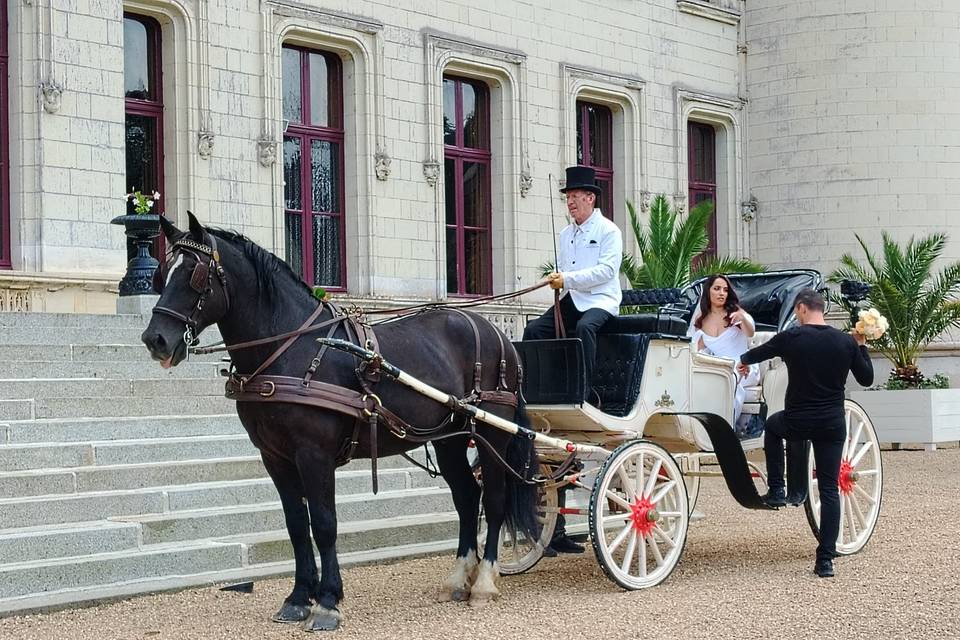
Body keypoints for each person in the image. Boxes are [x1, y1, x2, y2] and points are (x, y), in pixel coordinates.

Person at [736, 288, 873, 578]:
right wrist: (860, 345)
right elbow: (867, 378)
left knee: (773, 427)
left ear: (801, 309)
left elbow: (756, 353)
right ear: (821, 309)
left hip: (798, 421)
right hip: (832, 424)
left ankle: (777, 489)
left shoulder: (792, 338)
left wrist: (743, 361)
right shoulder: (844, 342)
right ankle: (825, 560)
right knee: (828, 491)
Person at [523, 165, 623, 555]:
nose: (570, 203)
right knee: (535, 331)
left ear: (590, 199)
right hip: (572, 297)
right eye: (567, 199)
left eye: (575, 198)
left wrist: (567, 279)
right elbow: (568, 273)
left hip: (601, 301)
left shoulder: (608, 231)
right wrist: (557, 278)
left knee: (584, 330)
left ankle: (584, 389)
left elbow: (606, 273)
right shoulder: (567, 234)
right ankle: (537, 387)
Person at [687, 274, 760, 427]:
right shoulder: (701, 320)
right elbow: (695, 349)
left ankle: (728, 426)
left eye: (725, 290)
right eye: (717, 289)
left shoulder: (735, 314)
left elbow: (751, 332)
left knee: (728, 376)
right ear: (708, 292)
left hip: (742, 365)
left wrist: (743, 317)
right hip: (719, 366)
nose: (722, 293)